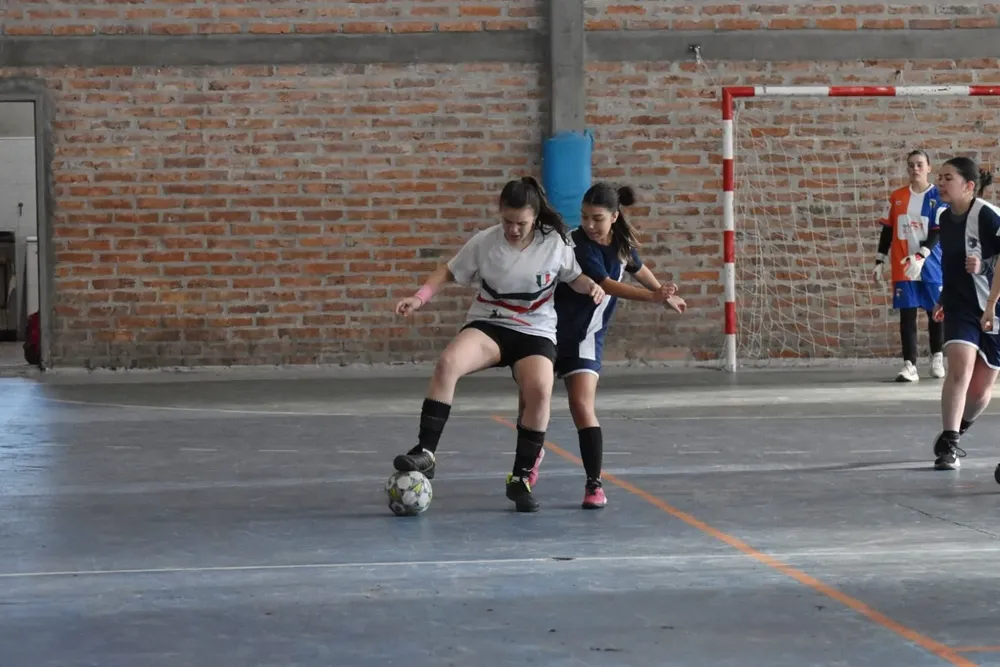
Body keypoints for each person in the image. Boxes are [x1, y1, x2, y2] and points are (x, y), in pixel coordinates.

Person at [392, 176, 606, 512]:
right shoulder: (484, 243)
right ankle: (426, 452)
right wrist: (419, 298)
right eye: (507, 221)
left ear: (534, 217)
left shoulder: (556, 243)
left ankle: (521, 477)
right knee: (448, 363)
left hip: (535, 331)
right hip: (490, 323)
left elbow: (573, 276)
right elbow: (447, 272)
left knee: (540, 388)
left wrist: (589, 286)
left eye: (521, 223)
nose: (513, 229)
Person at [517, 183, 687, 509]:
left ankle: (594, 484)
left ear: (614, 217)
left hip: (586, 336)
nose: (589, 225)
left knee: (582, 406)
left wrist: (664, 295)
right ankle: (528, 461)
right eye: (584, 217)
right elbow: (607, 285)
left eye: (597, 218)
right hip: (547, 332)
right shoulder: (579, 244)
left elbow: (636, 267)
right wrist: (653, 297)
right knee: (531, 403)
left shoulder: (620, 243)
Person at [926, 157, 998, 471]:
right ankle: (950, 444)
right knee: (960, 368)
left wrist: (992, 303)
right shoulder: (944, 216)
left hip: (992, 306)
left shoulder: (987, 215)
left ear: (969, 186)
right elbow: (952, 263)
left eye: (948, 178)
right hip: (959, 306)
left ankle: (960, 428)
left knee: (982, 388)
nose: (941, 183)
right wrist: (942, 296)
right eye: (939, 177)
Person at [873, 149, 946, 382]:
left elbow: (938, 229)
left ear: (929, 167)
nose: (915, 169)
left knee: (935, 312)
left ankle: (937, 356)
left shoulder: (939, 196)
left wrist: (922, 255)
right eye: (911, 165)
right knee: (907, 314)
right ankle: (909, 365)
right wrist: (879, 260)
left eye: (919, 165)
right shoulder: (896, 197)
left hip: (931, 263)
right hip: (903, 264)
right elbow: (888, 230)